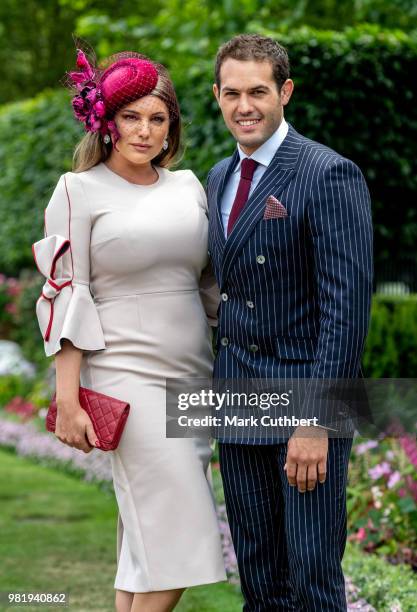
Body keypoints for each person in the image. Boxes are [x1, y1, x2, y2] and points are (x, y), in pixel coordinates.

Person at [32, 45, 226, 612]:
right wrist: (68, 401)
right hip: (125, 374)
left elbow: (211, 284)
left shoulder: (189, 185)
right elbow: (68, 291)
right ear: (108, 123)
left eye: (157, 118)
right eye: (131, 117)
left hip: (194, 373)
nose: (144, 131)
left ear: (171, 127)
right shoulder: (79, 190)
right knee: (183, 532)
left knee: (145, 544)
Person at [207, 34, 373, 610]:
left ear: (286, 91)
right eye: (232, 93)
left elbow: (345, 313)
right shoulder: (217, 178)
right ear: (217, 96)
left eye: (258, 90)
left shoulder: (329, 174)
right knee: (259, 579)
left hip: (304, 406)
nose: (244, 105)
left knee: (311, 580)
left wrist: (315, 423)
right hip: (236, 402)